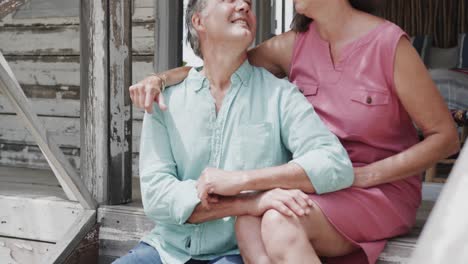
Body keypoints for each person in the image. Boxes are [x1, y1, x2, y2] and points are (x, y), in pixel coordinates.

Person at [130, 1, 460, 263]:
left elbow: (446, 137)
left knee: (275, 222)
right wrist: (160, 79)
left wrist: (368, 175)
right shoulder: (292, 47)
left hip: (379, 188)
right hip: (319, 184)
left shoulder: (389, 44)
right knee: (247, 224)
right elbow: (218, 62)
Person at [117, 0, 354, 263]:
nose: (244, 5)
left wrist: (243, 180)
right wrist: (248, 204)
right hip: (164, 250)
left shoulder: (280, 95)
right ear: (198, 21)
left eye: (249, 3)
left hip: (236, 252)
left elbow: (335, 163)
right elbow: (157, 196)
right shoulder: (165, 101)